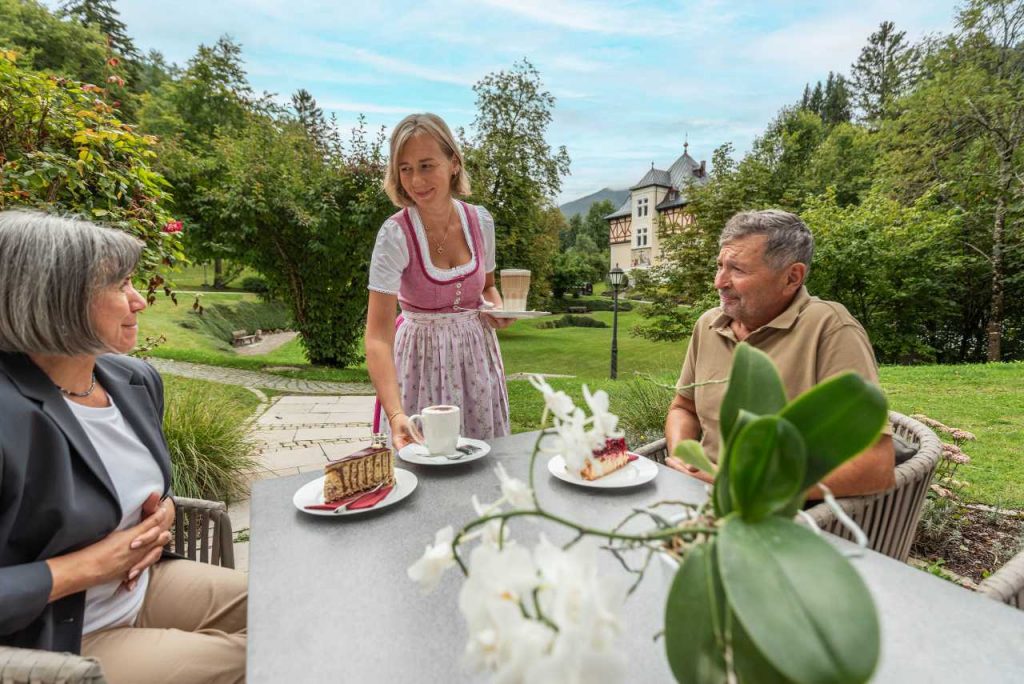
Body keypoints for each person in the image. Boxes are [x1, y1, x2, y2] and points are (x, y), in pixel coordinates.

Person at [0, 211, 246, 683]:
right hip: (64, 635)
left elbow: (138, 488)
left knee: (295, 609)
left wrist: (166, 512)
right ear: (55, 299)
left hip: (143, 586)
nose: (138, 301)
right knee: (261, 660)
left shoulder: (132, 380)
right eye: (120, 286)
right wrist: (90, 565)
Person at [664, 209, 895, 498]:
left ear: (791, 277)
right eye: (720, 265)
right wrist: (684, 458)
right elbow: (683, 408)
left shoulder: (831, 328)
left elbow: (876, 468)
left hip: (780, 519)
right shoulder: (708, 325)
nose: (719, 282)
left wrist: (746, 488)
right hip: (697, 499)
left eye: (737, 270)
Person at [366, 112, 512, 449]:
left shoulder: (481, 222)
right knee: (426, 472)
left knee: (484, 469)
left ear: (454, 164)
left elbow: (488, 286)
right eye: (405, 168)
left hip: (478, 361)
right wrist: (395, 413)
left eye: (426, 165)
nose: (416, 180)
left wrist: (497, 308)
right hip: (421, 364)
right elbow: (377, 338)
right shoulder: (395, 235)